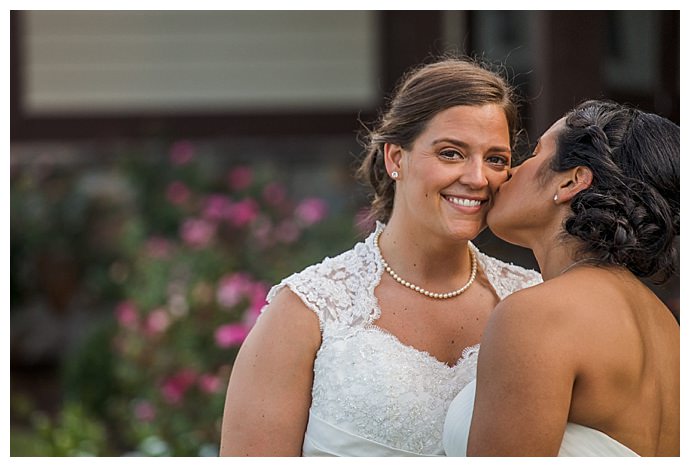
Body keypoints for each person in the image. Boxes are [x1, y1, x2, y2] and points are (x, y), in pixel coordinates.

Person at [219, 57, 542, 457]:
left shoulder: (532, 299)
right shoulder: (308, 311)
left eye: (496, 159)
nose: (478, 178)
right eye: (451, 153)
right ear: (395, 159)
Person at [443, 100, 680, 456]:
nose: (510, 172)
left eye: (535, 153)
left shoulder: (539, 315)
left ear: (572, 181)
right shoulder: (667, 327)